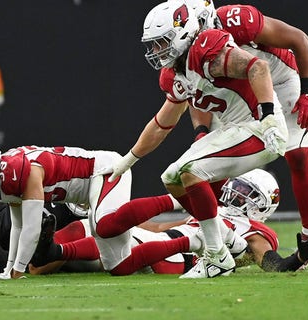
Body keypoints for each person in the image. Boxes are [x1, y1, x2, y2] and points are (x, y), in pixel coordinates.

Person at [108, 0, 289, 278]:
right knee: (171, 177)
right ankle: (226, 241)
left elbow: (258, 67)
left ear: (183, 33)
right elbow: (161, 124)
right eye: (154, 44)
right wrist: (128, 160)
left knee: (191, 172)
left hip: (259, 127)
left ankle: (217, 256)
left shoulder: (206, 48)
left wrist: (268, 116)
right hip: (234, 129)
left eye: (162, 42)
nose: (157, 51)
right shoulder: (176, 74)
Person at [182, 0, 308, 269]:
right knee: (209, 165)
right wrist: (201, 131)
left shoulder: (236, 20)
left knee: (298, 155)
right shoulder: (185, 48)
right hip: (240, 92)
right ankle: (218, 237)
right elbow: (195, 94)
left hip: (280, 81)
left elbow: (299, 39)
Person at [0, 131, 189, 280]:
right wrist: (9, 270)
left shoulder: (17, 170)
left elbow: (31, 229)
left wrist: (16, 272)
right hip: (86, 189)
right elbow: (18, 227)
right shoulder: (2, 180)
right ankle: (185, 241)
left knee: (105, 225)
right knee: (120, 266)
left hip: (102, 172)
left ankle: (179, 200)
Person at [32, 169, 308, 275]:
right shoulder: (212, 210)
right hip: (163, 239)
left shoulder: (256, 231)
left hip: (179, 256)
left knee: (116, 241)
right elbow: (160, 228)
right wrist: (131, 223)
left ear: (263, 205)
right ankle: (31, 259)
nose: (236, 193)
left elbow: (272, 264)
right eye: (238, 186)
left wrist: (297, 258)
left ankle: (52, 255)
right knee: (85, 227)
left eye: (247, 192)